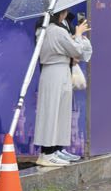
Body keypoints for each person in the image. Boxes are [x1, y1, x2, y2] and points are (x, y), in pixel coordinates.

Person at [32, 10, 90, 166]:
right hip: (57, 70)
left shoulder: (44, 29)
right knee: (54, 112)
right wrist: (79, 34)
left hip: (55, 70)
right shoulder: (57, 30)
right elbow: (77, 50)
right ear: (61, 14)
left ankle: (54, 149)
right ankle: (48, 153)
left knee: (57, 111)